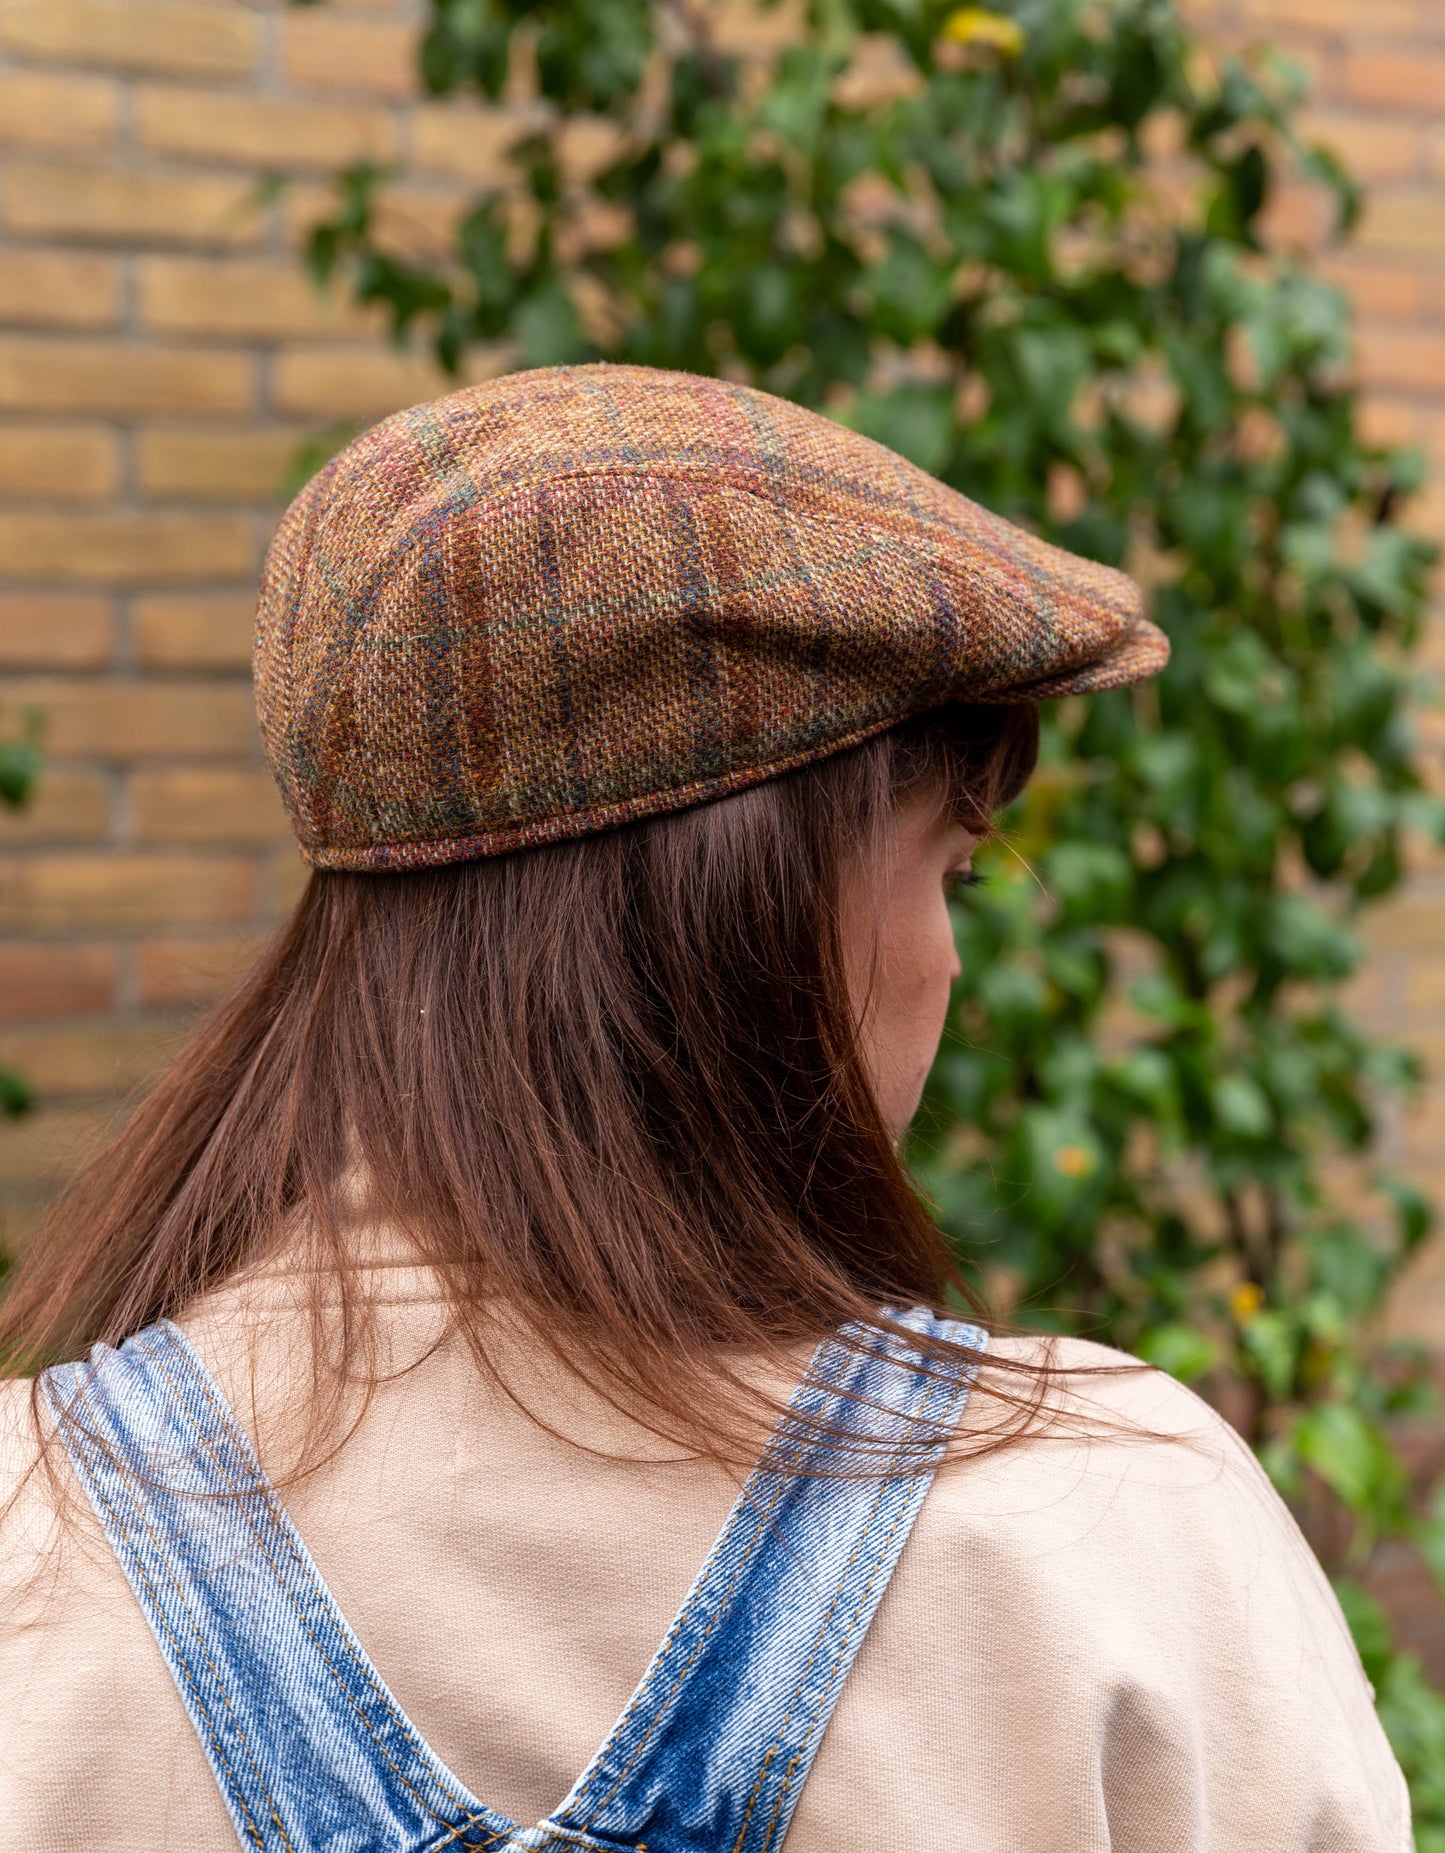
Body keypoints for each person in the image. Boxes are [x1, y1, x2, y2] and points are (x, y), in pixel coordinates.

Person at [0, 364, 1408, 1852]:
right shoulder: (1102, 1540)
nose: (948, 961)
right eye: (951, 871)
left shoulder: (30, 1548)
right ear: (763, 911)